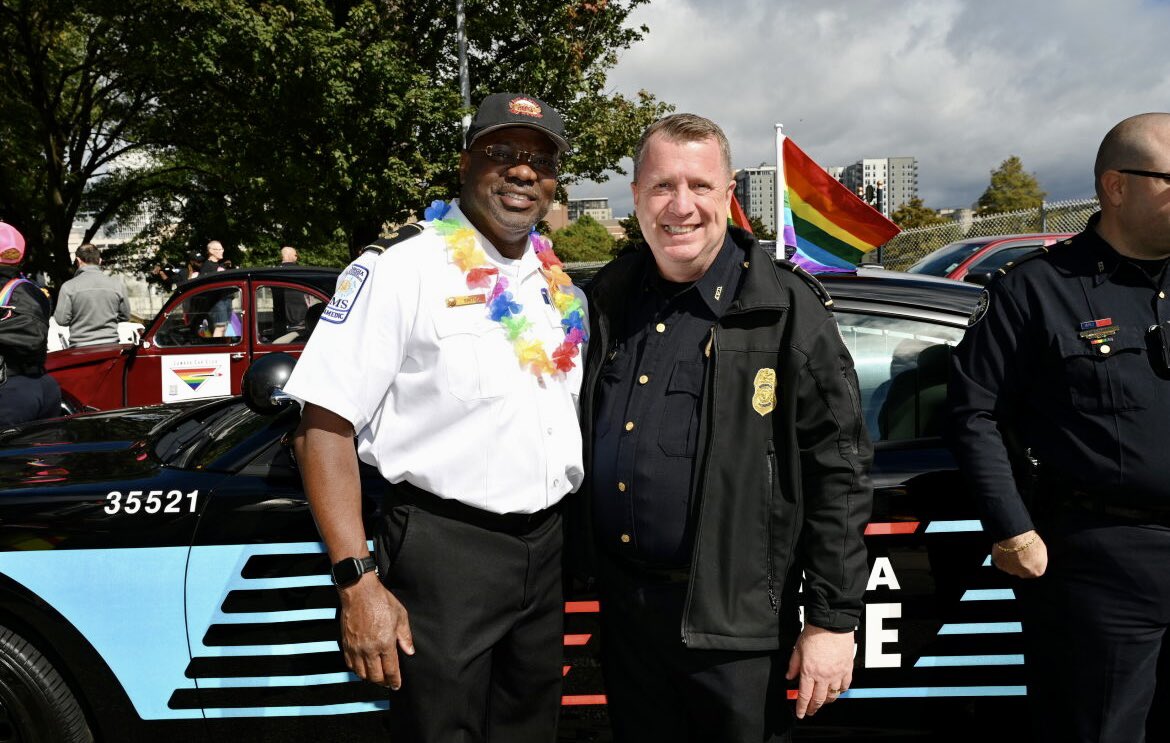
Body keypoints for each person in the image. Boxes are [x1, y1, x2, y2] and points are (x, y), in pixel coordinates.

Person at [284, 92, 587, 743]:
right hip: (444, 554)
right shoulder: (400, 269)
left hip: (545, 552)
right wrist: (356, 579)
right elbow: (322, 428)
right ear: (465, 163)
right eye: (501, 153)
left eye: (541, 159)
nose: (523, 171)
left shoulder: (554, 281)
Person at [571, 113, 873, 742]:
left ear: (728, 193)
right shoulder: (609, 298)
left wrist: (831, 622)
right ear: (635, 196)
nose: (680, 206)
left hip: (736, 629)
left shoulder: (786, 311)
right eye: (661, 187)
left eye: (700, 186)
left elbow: (839, 472)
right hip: (628, 617)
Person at [948, 111, 1170, 743]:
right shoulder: (1038, 290)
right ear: (1116, 186)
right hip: (1100, 562)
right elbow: (974, 412)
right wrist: (1011, 526)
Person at [0, 221, 61, 426]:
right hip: (41, 385)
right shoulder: (33, 288)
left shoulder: (14, 290)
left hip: (11, 393)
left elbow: (30, 334)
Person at [52, 243, 131, 347]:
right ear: (100, 261)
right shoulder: (117, 285)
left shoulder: (68, 287)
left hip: (80, 348)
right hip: (111, 347)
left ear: (78, 261)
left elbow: (61, 320)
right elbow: (125, 316)